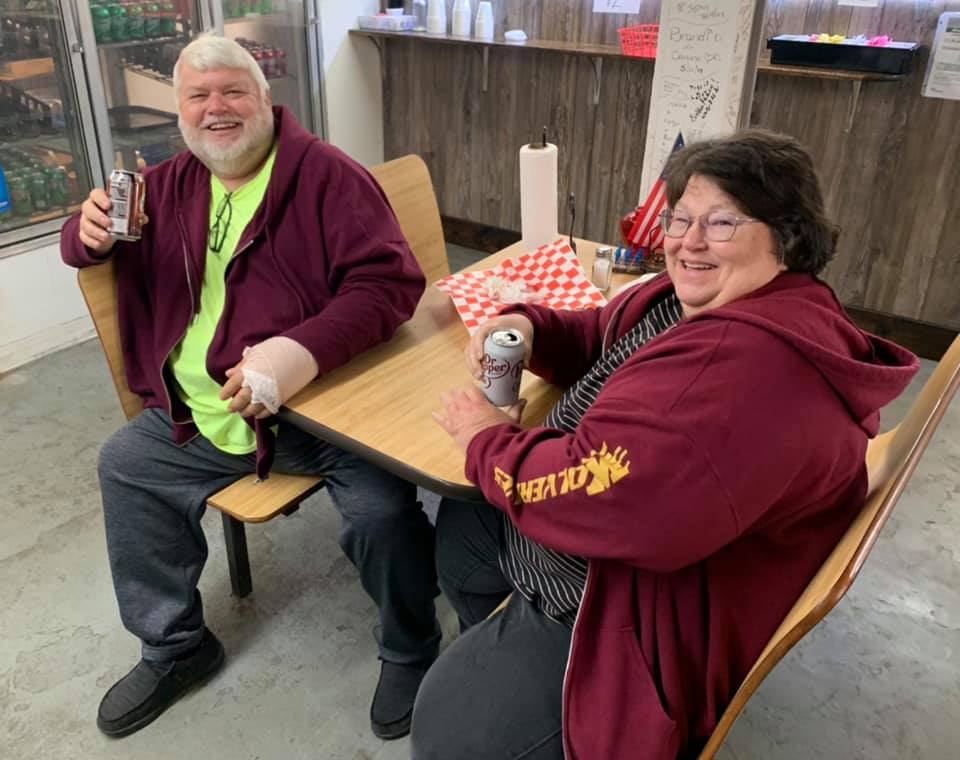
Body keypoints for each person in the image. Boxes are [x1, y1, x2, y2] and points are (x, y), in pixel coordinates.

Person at [414, 130, 920, 759]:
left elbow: (603, 495)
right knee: (462, 528)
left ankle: (524, 673)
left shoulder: (735, 374)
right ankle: (497, 647)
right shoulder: (706, 299)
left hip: (632, 606)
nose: (689, 241)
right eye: (680, 218)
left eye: (722, 222)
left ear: (787, 239)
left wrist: (488, 441)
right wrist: (531, 324)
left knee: (447, 735)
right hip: (612, 527)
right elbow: (599, 335)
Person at [61, 35, 439, 741]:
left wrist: (296, 353)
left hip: (318, 415)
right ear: (178, 110)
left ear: (265, 99)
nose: (217, 109)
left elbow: (389, 286)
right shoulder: (165, 186)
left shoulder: (327, 176)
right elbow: (81, 246)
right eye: (198, 96)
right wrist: (87, 236)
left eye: (233, 91)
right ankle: (176, 648)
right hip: (198, 416)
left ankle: (411, 646)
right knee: (125, 466)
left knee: (382, 514)